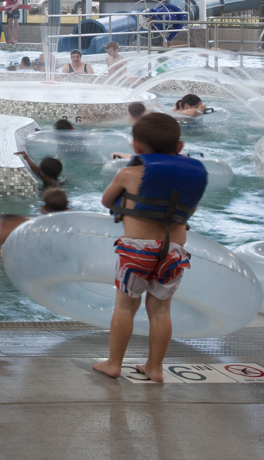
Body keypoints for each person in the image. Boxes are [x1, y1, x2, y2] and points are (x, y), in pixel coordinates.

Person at [93, 113, 209, 383]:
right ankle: (155, 368)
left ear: (136, 146)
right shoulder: (194, 176)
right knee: (160, 310)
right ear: (179, 147)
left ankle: (113, 363)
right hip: (174, 251)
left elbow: (107, 201)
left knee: (125, 307)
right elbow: (188, 212)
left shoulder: (128, 173)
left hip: (138, 250)